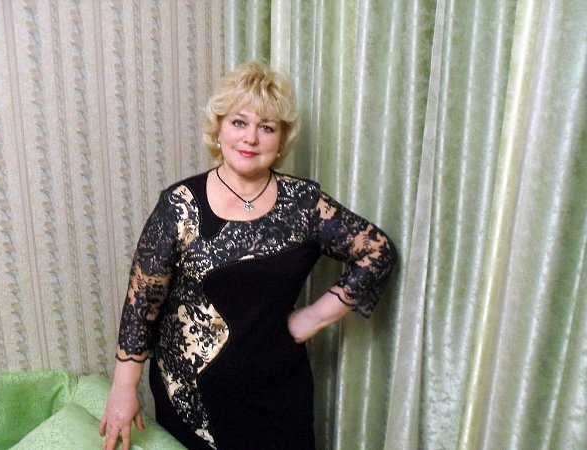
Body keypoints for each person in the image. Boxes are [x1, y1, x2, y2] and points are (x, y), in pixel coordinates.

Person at [99, 61, 397, 450]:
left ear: (281, 139)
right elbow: (143, 304)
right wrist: (124, 388)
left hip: (279, 396)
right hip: (191, 399)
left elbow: (377, 250)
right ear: (219, 128)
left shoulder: (303, 204)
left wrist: (311, 319)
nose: (251, 138)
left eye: (266, 127)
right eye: (239, 122)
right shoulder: (180, 204)